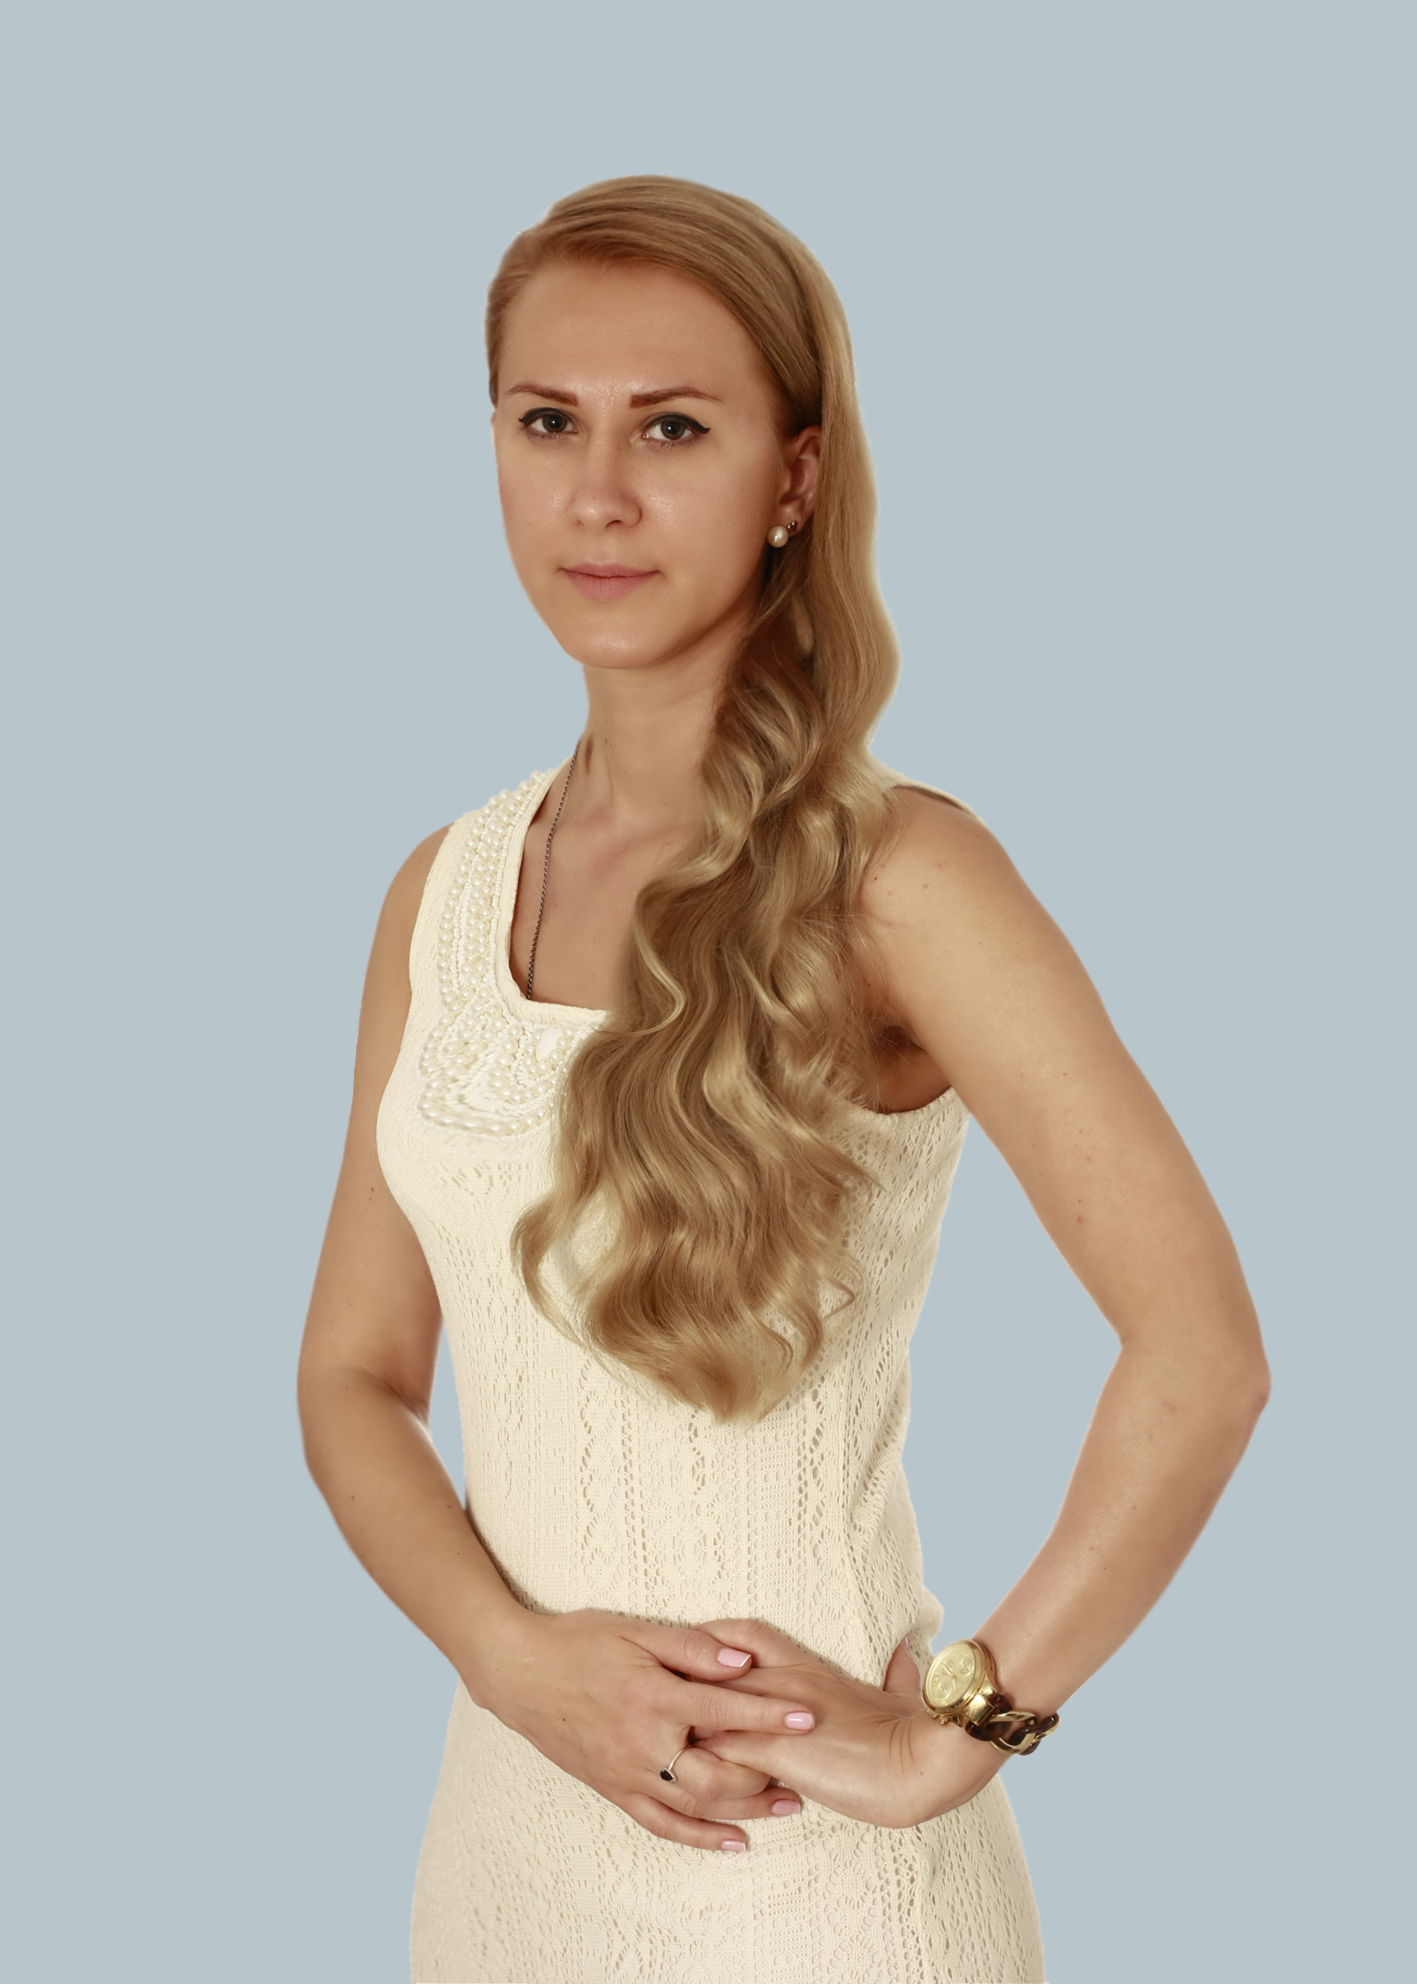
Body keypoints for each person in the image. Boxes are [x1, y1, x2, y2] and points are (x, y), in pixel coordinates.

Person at [297, 176, 1269, 1984]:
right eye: (545, 422)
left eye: (672, 427)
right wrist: (509, 1660)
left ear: (794, 478)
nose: (597, 493)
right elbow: (353, 1378)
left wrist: (952, 1733)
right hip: (501, 1867)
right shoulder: (442, 890)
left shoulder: (899, 881)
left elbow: (1202, 1350)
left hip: (815, 1898)